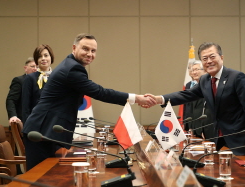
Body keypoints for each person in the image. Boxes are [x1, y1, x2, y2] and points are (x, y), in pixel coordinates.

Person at [22, 33, 156, 170]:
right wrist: (136, 98)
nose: (90, 54)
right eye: (85, 49)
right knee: (38, 180)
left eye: (93, 51)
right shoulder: (72, 69)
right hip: (42, 131)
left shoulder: (70, 64)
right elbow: (100, 92)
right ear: (74, 48)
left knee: (47, 178)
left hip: (47, 129)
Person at [144, 42, 245, 159]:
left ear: (221, 57)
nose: (209, 61)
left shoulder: (237, 77)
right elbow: (186, 95)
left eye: (212, 57)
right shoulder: (205, 80)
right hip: (222, 140)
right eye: (205, 59)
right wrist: (159, 99)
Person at [22, 44, 54, 123]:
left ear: (51, 57)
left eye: (46, 55)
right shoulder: (30, 78)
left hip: (54, 124)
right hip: (36, 124)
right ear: (36, 60)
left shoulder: (58, 77)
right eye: (40, 56)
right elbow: (25, 107)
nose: (43, 58)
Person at [6, 57, 37, 125]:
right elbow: (11, 100)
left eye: (37, 66)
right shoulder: (19, 80)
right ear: (25, 68)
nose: (35, 68)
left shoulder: (40, 82)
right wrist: (13, 116)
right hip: (22, 121)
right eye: (32, 66)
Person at [189, 61, 215, 139]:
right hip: (196, 129)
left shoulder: (210, 87)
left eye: (197, 69)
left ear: (205, 71)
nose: (194, 72)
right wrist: (192, 127)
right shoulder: (194, 87)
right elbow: (192, 110)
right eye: (192, 70)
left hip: (207, 128)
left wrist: (203, 129)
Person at [183, 62, 196, 131]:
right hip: (188, 119)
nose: (191, 70)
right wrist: (185, 120)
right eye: (189, 68)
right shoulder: (188, 85)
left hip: (197, 120)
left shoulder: (203, 84)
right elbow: (185, 104)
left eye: (194, 69)